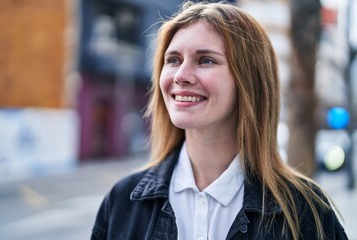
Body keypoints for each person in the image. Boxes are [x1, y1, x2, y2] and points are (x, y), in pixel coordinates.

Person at [91, 2, 348, 240]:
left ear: (249, 81)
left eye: (206, 60)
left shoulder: (307, 212)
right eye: (173, 60)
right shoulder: (122, 202)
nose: (181, 75)